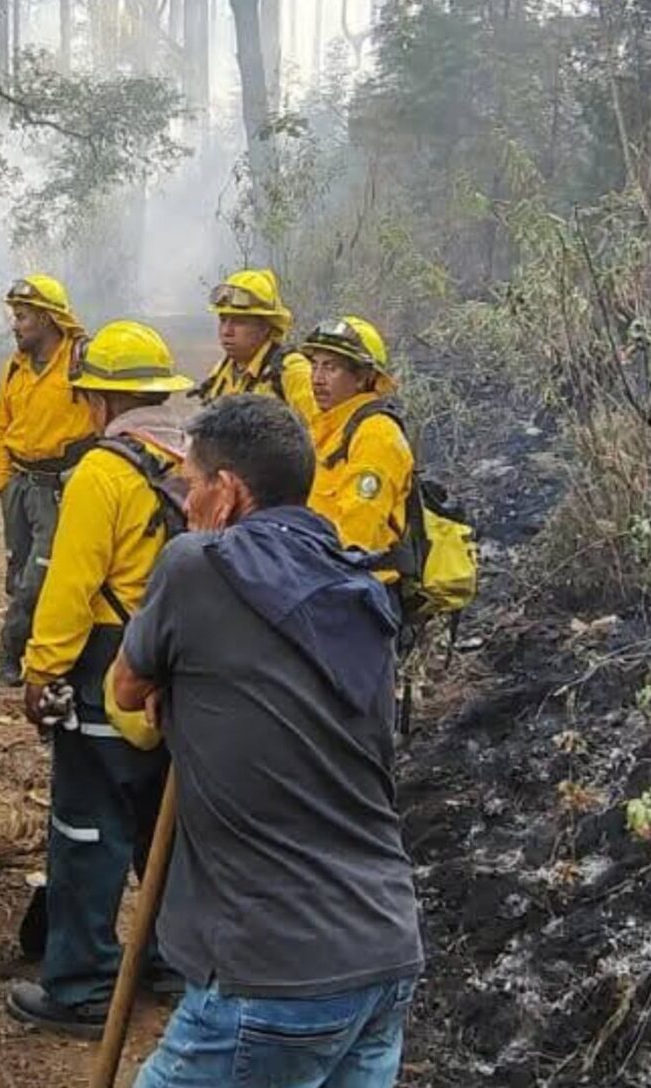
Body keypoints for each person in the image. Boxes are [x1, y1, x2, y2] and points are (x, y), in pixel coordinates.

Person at [110, 393, 424, 1088]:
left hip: (274, 970)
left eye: (190, 486)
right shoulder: (358, 584)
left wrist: (178, 684)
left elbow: (126, 689)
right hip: (385, 948)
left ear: (226, 492)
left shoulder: (196, 565)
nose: (184, 503)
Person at [6, 322, 190, 1038]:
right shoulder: (191, 461)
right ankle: (169, 961)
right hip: (175, 664)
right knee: (162, 827)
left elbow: (71, 588)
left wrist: (41, 672)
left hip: (107, 666)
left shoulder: (103, 473)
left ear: (96, 401)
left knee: (87, 827)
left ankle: (82, 984)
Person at [0, 275, 97, 687]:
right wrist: (1, 480)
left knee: (43, 573)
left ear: (50, 319)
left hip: (60, 486)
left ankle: (10, 650)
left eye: (23, 317)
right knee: (20, 575)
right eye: (15, 316)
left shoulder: (79, 362)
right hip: (19, 484)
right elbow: (1, 422)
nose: (15, 325)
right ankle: (31, 642)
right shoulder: (15, 367)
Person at [296, 316, 413, 581]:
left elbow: (357, 537)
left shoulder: (376, 435)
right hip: (319, 576)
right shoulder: (328, 428)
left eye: (331, 368)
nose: (317, 379)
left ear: (362, 377)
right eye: (314, 366)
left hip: (356, 590)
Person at [194, 268, 315, 419]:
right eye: (223, 320)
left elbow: (318, 432)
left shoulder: (291, 371)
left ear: (265, 327)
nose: (226, 331)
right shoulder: (221, 373)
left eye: (239, 322)